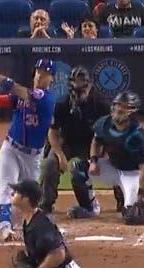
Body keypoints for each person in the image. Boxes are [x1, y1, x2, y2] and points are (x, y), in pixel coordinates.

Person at [69, 91, 144, 225]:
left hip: (135, 174)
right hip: (114, 167)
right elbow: (96, 141)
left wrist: (141, 196)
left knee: (133, 215)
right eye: (117, 105)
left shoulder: (138, 135)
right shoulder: (104, 123)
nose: (118, 109)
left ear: (131, 111)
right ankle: (89, 208)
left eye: (123, 107)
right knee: (78, 169)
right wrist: (94, 162)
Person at [0, 59, 57, 242]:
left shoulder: (47, 99)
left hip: (32, 157)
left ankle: (33, 226)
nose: (40, 75)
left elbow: (16, 89)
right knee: (7, 187)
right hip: (11, 148)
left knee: (31, 197)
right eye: (38, 71)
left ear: (51, 78)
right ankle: (5, 228)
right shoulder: (24, 94)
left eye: (45, 73)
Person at [40, 66, 111, 216]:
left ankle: (123, 202)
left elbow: (106, 136)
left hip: (93, 144)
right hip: (68, 143)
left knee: (114, 158)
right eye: (75, 84)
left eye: (82, 86)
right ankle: (45, 204)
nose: (78, 93)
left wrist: (95, 159)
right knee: (51, 164)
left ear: (89, 85)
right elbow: (52, 131)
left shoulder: (101, 104)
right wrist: (60, 155)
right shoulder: (62, 104)